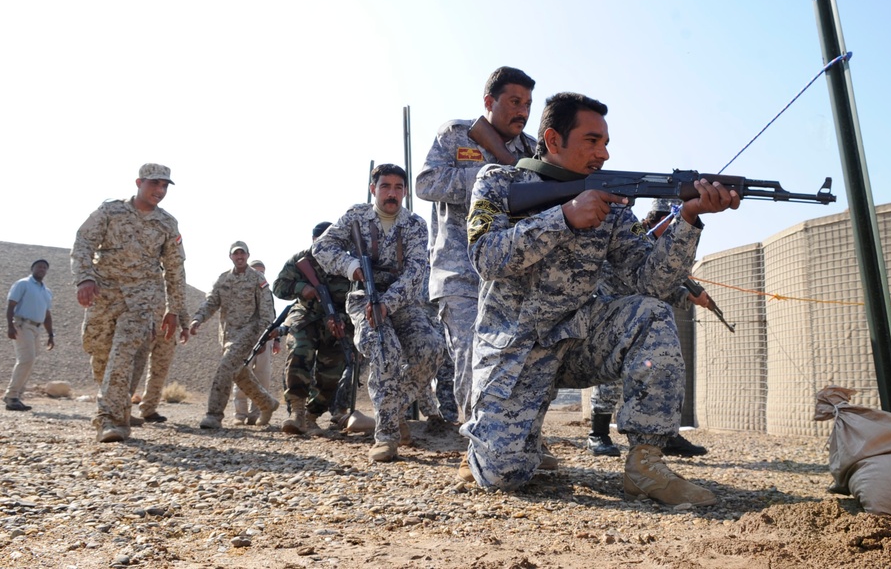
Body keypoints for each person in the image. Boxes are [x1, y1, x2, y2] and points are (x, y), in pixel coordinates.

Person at [461, 92, 738, 505]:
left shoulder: (613, 206)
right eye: (593, 141)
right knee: (504, 476)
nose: (604, 153)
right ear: (553, 140)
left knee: (651, 314)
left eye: (606, 142)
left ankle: (646, 464)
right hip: (514, 349)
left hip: (576, 340)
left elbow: (650, 282)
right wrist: (565, 218)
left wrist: (688, 219)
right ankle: (495, 444)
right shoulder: (500, 183)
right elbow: (487, 257)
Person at [415, 66, 537, 422]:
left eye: (528, 104)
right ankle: (475, 442)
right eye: (514, 102)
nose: (522, 111)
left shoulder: (530, 150)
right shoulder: (457, 135)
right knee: (470, 355)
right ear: (489, 101)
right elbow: (426, 183)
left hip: (508, 272)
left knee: (517, 359)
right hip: (460, 271)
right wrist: (489, 176)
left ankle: (517, 439)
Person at [312, 163, 445, 462]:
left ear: (405, 192)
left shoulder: (415, 225)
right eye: (385, 186)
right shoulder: (357, 216)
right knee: (385, 352)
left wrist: (388, 302)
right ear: (373, 189)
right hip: (364, 299)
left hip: (401, 301)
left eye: (398, 188)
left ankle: (393, 411)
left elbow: (414, 272)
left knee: (432, 349)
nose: (392, 193)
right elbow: (322, 248)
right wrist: (351, 267)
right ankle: (386, 437)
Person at [71, 163, 190, 442]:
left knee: (123, 354)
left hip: (143, 299)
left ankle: (110, 420)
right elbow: (83, 242)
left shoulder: (167, 223)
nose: (160, 191)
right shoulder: (110, 211)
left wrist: (175, 311)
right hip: (104, 294)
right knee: (98, 350)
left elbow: (175, 269)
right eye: (154, 184)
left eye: (164, 186)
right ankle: (118, 407)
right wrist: (84, 278)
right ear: (139, 182)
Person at [587, 202, 711, 458]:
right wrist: (681, 293)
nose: (672, 230)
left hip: (643, 321)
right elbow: (642, 283)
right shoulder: (630, 242)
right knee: (611, 382)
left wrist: (688, 297)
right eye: (670, 222)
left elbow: (660, 287)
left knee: (659, 371)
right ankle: (598, 435)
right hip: (614, 316)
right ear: (656, 220)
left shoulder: (656, 249)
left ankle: (665, 434)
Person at [271, 222, 354, 435]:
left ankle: (312, 415)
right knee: (300, 353)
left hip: (335, 320)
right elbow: (278, 287)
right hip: (305, 316)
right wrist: (302, 288)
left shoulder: (346, 264)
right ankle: (297, 413)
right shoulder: (301, 260)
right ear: (313, 240)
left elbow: (355, 300)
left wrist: (341, 319)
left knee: (333, 370)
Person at [190, 241, 281, 430]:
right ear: (231, 257)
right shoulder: (223, 279)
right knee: (238, 373)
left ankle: (213, 415)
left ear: (248, 256)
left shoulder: (258, 279)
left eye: (242, 254)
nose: (239, 257)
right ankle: (267, 403)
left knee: (225, 368)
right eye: (236, 254)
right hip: (227, 336)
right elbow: (211, 302)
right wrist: (198, 319)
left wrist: (264, 335)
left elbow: (266, 310)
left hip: (249, 332)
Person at [127, 270, 183, 424]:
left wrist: (184, 326)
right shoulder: (145, 272)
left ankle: (149, 409)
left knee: (159, 371)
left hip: (168, 332)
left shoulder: (174, 277)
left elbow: (179, 302)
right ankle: (121, 409)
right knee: (135, 369)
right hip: (145, 329)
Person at [230, 259, 281, 424]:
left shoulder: (268, 293)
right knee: (242, 375)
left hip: (265, 340)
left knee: (263, 377)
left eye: (262, 272)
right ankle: (240, 414)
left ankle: (256, 414)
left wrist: (277, 339)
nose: (259, 275)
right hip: (244, 340)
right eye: (256, 271)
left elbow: (274, 318)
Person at [4, 259, 55, 411]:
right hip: (22, 324)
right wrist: (10, 326)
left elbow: (47, 314)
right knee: (26, 359)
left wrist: (51, 335)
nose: (42, 269)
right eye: (39, 266)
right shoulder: (23, 284)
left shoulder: (46, 291)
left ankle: (16, 396)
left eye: (45, 267)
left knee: (30, 361)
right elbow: (11, 305)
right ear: (32, 268)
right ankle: (12, 396)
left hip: (36, 328)